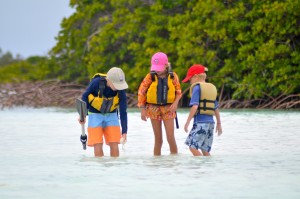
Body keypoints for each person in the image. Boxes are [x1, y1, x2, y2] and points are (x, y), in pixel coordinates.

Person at [138, 52, 182, 156]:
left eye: (159, 68)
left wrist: (175, 103)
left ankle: (174, 161)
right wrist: (143, 110)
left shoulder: (173, 76)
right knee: (158, 139)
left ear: (166, 65)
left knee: (170, 137)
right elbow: (141, 92)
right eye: (155, 67)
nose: (156, 70)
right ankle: (157, 163)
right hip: (153, 109)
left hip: (169, 108)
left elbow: (178, 92)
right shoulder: (150, 76)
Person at [78, 67, 128, 157]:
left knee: (114, 142)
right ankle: (100, 169)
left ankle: (115, 166)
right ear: (108, 80)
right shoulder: (96, 83)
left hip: (112, 114)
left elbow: (123, 112)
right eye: (116, 84)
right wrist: (83, 115)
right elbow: (84, 97)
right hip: (95, 114)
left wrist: (124, 132)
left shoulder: (120, 90)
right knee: (97, 143)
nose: (118, 87)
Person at [182, 64, 222, 156]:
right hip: (211, 124)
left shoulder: (197, 88)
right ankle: (208, 168)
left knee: (192, 147)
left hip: (200, 123)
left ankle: (199, 168)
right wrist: (219, 123)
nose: (190, 82)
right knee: (205, 150)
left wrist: (187, 122)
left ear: (195, 77)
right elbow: (216, 108)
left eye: (190, 79)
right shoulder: (211, 88)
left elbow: (195, 106)